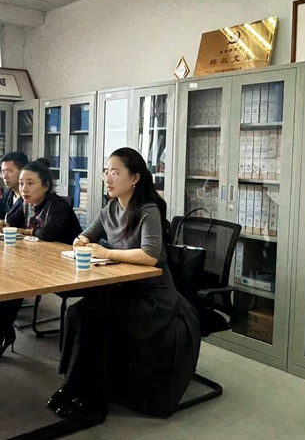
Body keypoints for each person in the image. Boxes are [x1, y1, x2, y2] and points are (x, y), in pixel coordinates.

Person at [48, 147, 201, 420]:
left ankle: (93, 400)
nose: (108, 178)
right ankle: (73, 385)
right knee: (78, 313)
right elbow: (83, 236)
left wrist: (106, 253)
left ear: (135, 178)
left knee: (97, 321)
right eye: (106, 172)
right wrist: (81, 241)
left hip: (151, 298)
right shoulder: (110, 209)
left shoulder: (147, 210)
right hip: (122, 290)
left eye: (115, 172)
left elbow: (150, 255)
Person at [0, 158, 82, 361]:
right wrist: (3, 224)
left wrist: (20, 230)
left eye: (30, 183)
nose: (24, 188)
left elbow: (47, 233)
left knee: (13, 277)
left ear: (45, 185)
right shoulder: (26, 203)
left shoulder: (57, 205)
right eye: (22, 183)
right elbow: (9, 222)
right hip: (38, 261)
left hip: (67, 267)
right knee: (2, 271)